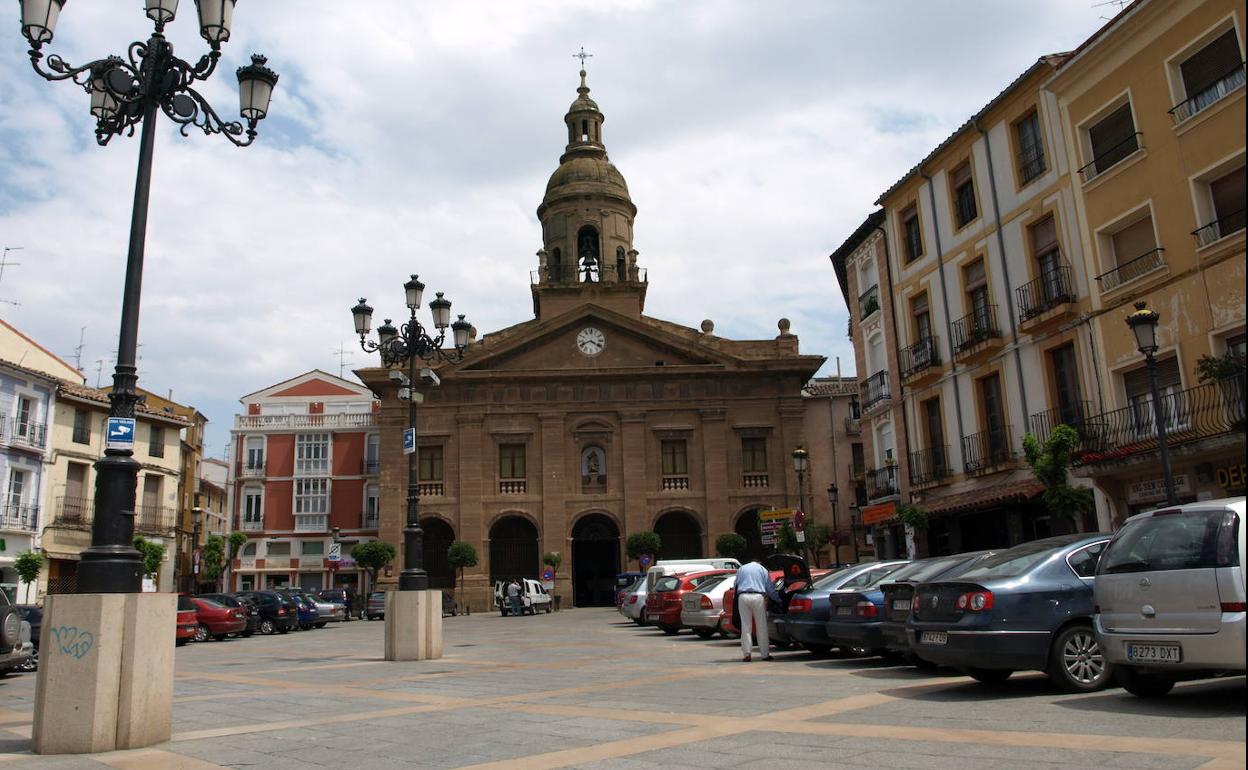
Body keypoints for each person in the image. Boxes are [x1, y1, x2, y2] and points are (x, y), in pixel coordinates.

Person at [733, 560, 781, 662]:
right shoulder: (762, 569)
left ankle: (747, 654)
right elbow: (769, 588)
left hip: (743, 596)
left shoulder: (741, 569)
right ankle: (765, 654)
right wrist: (778, 600)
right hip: (758, 596)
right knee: (761, 626)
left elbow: (735, 584)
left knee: (745, 626)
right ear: (759, 562)